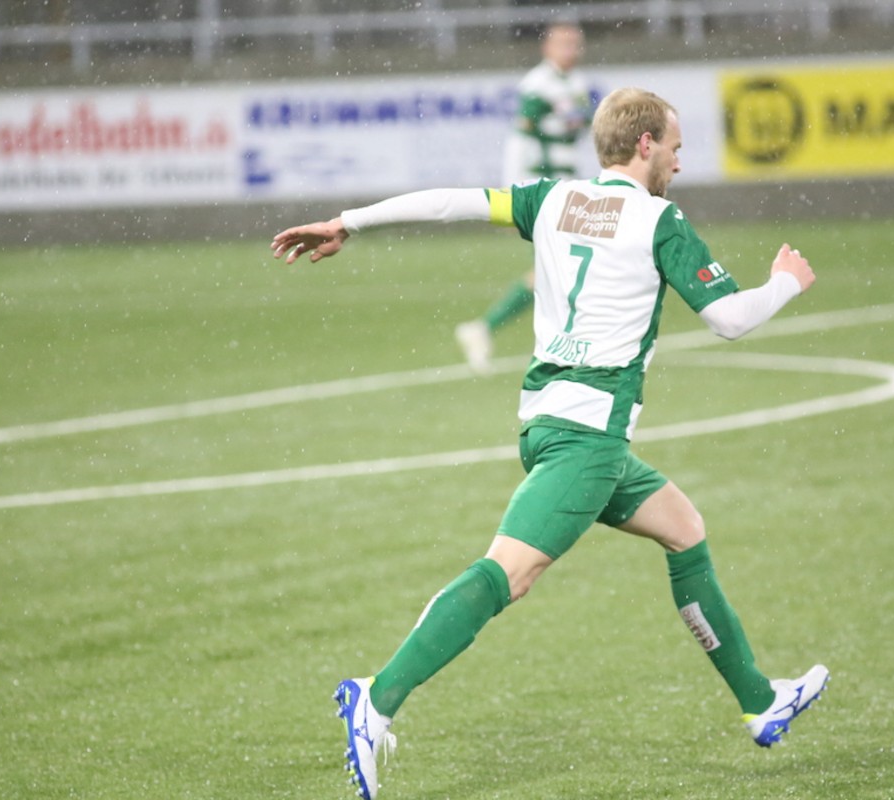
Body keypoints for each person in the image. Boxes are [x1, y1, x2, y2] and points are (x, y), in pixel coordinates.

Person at [270, 87, 826, 800]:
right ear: (646, 145)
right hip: (589, 437)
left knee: (684, 528)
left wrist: (348, 221)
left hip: (546, 424)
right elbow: (729, 318)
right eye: (676, 148)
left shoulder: (555, 200)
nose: (680, 164)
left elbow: (450, 202)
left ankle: (759, 700)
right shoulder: (660, 220)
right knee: (509, 574)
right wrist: (784, 283)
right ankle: (375, 698)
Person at [455, 21, 594, 374]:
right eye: (563, 43)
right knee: (563, 266)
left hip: (567, 186)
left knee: (559, 267)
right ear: (547, 48)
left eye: (575, 43)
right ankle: (561, 343)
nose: (571, 50)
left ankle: (486, 329)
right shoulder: (538, 85)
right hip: (542, 190)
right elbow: (520, 139)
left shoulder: (576, 83)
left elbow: (576, 130)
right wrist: (513, 195)